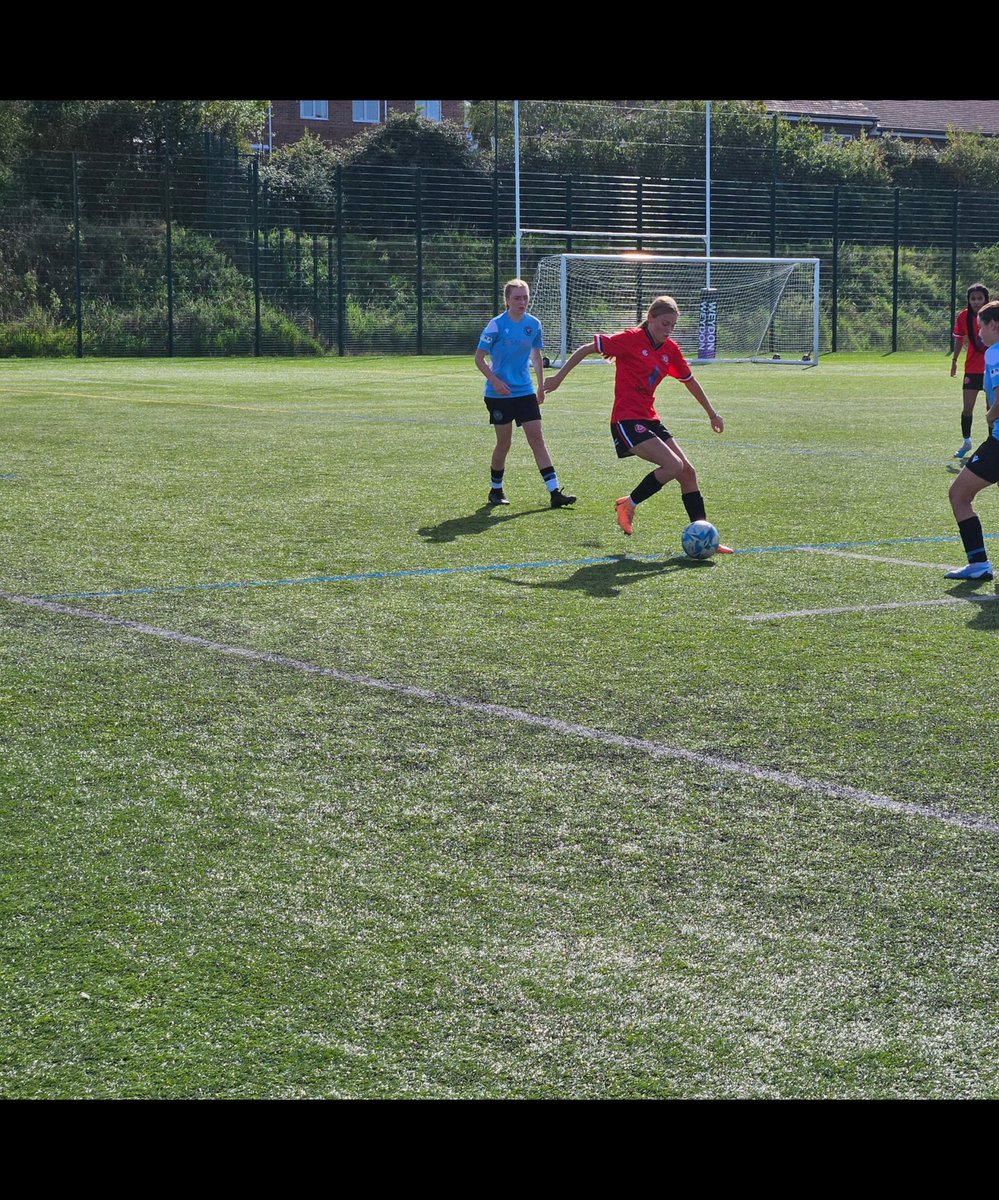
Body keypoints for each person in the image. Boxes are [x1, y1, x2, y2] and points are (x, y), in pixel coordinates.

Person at [543, 295, 732, 551]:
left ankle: (706, 536)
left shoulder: (670, 350)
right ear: (650, 318)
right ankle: (628, 504)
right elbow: (587, 348)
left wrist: (712, 413)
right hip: (626, 420)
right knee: (673, 465)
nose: (668, 330)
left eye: (673, 325)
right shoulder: (630, 339)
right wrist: (558, 378)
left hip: (649, 418)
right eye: (664, 323)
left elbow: (690, 381)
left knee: (688, 473)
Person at [474, 278, 575, 509]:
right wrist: (496, 382)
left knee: (537, 439)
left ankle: (555, 493)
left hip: (524, 391)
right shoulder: (496, 325)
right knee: (504, 443)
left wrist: (539, 386)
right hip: (499, 394)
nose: (522, 302)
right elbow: (479, 359)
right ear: (507, 300)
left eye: (525, 297)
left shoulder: (534, 324)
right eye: (517, 298)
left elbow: (536, 357)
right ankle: (496, 490)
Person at [945, 298, 999, 581]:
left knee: (959, 495)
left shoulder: (995, 353)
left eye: (981, 326)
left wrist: (990, 416)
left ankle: (978, 563)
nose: (978, 333)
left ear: (994, 325)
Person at [950, 283, 991, 459]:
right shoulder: (964, 316)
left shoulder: (994, 315)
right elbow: (960, 339)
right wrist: (954, 361)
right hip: (972, 369)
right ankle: (967, 442)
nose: (976, 301)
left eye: (979, 298)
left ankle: (992, 445)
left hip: (992, 369)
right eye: (972, 298)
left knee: (991, 408)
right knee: (967, 408)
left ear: (986, 299)